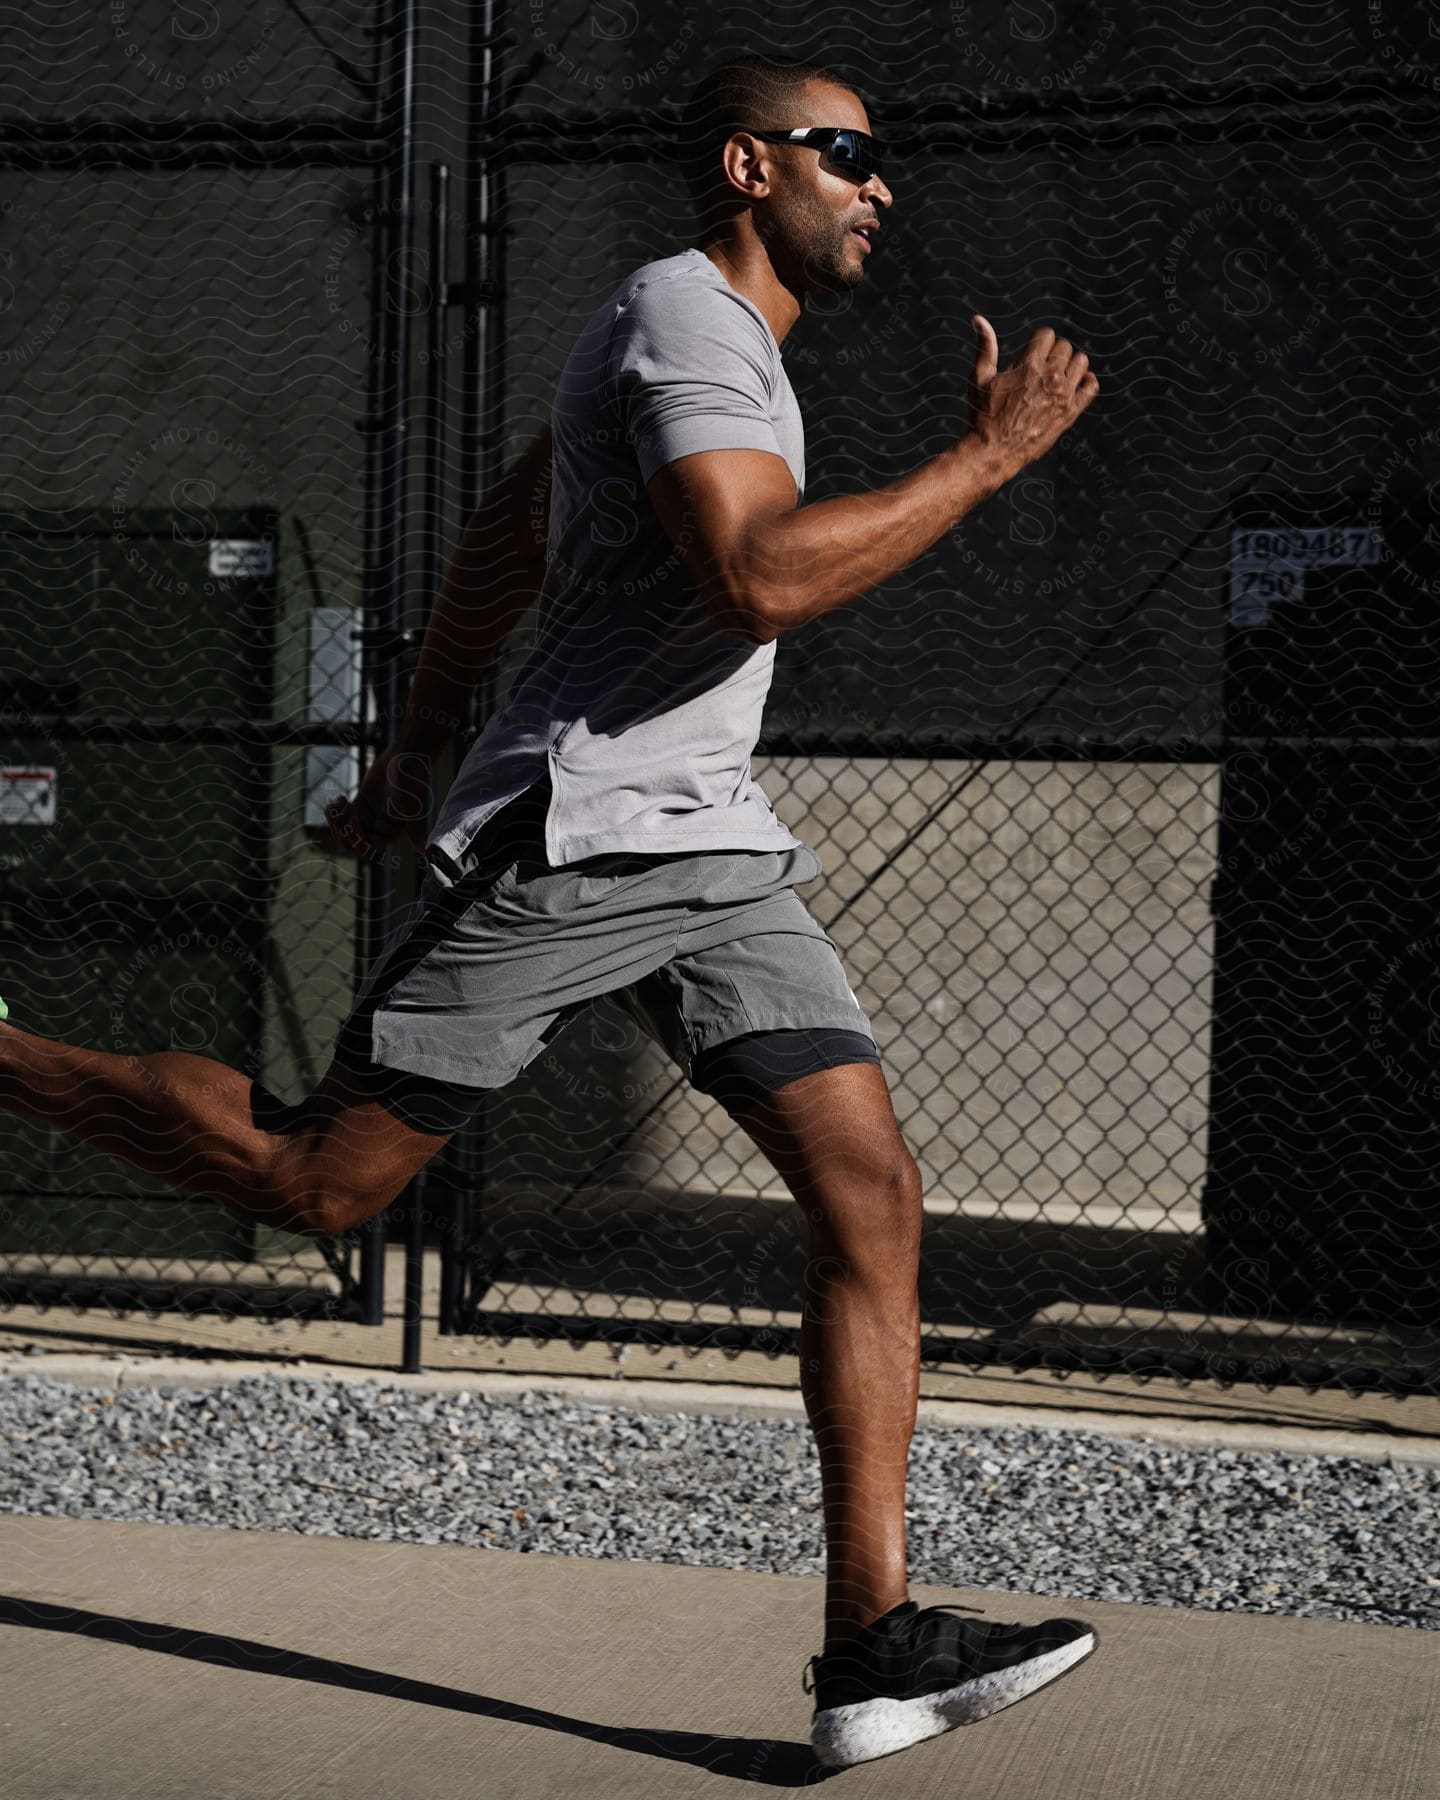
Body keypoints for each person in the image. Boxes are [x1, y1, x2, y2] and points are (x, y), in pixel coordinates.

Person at [0, 52, 1100, 1772]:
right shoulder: (685, 323)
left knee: (870, 1192)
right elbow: (761, 576)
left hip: (710, 845)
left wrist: (416, 743)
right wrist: (984, 460)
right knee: (318, 1184)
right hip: (578, 844)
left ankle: (871, 1648)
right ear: (749, 167)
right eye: (846, 155)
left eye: (888, 162)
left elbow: (507, 537)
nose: (881, 186)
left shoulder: (679, 345)